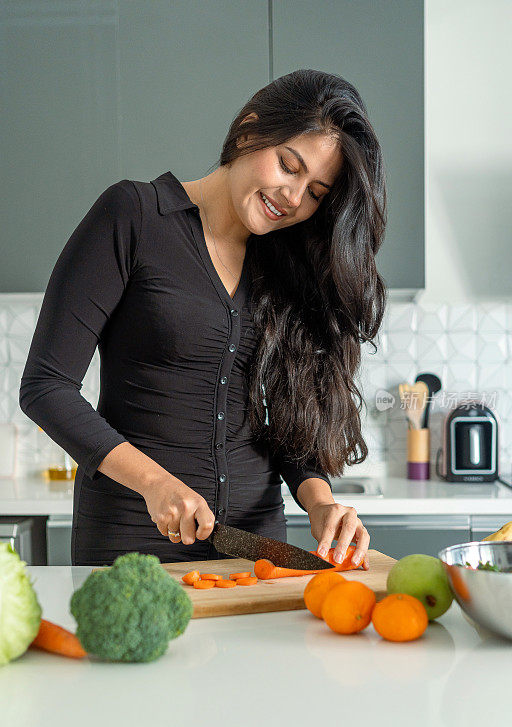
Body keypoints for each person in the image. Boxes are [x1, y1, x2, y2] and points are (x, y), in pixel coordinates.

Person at [19, 69, 387, 568]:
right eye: (287, 165)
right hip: (132, 543)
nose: (294, 198)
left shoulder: (288, 266)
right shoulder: (134, 216)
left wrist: (320, 503)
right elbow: (46, 386)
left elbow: (287, 423)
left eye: (317, 192)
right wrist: (156, 483)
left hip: (256, 552)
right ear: (249, 131)